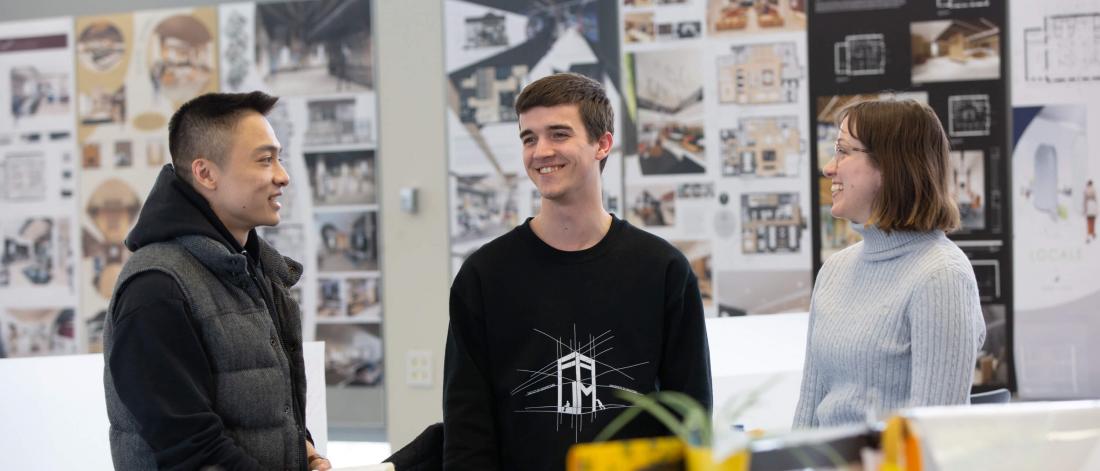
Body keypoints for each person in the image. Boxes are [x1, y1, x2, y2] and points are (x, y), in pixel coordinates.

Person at [443, 73, 712, 470]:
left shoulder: (663, 270)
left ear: (602, 144)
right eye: (529, 138)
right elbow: (466, 431)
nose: (541, 151)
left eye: (559, 134)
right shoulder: (484, 276)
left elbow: (692, 419)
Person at [102, 91, 331, 470]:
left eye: (279, 159)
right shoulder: (157, 288)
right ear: (205, 173)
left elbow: (267, 408)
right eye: (265, 160)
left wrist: (304, 450)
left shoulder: (254, 269)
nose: (283, 176)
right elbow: (191, 451)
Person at [793, 99, 986, 428]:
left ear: (890, 166)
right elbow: (808, 415)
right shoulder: (834, 270)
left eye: (843, 151)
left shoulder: (941, 276)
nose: (828, 168)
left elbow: (933, 435)